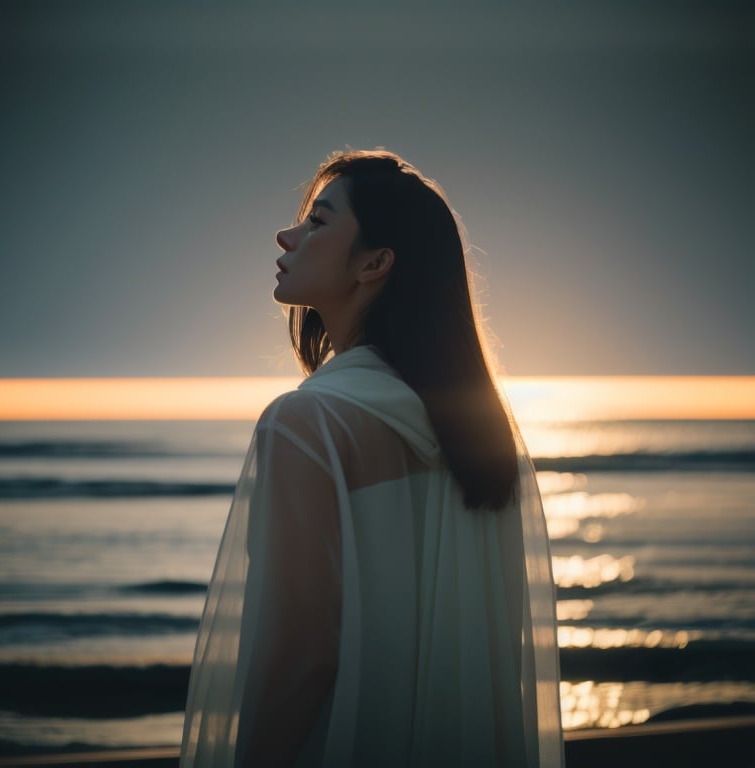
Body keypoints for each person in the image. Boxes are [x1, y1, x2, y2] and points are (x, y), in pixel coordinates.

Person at [180, 149, 564, 767]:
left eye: (318, 222)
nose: (288, 235)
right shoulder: (480, 436)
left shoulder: (309, 422)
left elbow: (303, 653)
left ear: (375, 263)